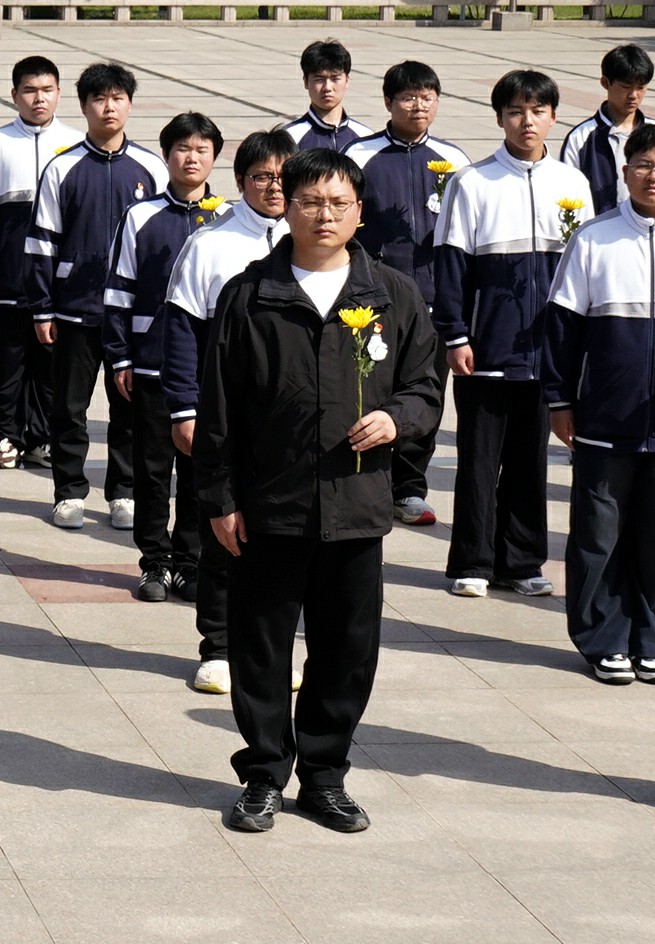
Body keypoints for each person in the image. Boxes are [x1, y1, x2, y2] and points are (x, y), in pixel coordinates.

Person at [186, 146, 442, 836]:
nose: (323, 215)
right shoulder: (249, 295)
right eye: (309, 202)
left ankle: (324, 778)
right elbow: (220, 407)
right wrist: (221, 497)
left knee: (347, 649)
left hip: (357, 506)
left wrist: (399, 418)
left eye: (338, 203)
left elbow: (425, 385)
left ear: (360, 211)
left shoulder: (392, 295)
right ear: (284, 206)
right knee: (260, 647)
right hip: (270, 506)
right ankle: (265, 774)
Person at [545, 124, 655, 686]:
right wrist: (559, 399)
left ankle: (649, 637)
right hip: (604, 416)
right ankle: (601, 639)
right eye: (643, 165)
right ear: (625, 173)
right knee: (597, 533)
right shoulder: (593, 239)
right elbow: (561, 328)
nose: (654, 176)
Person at [430, 69, 592, 598]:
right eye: (517, 111)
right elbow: (450, 266)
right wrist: (455, 334)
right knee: (479, 459)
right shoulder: (471, 183)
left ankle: (522, 561)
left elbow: (583, 271)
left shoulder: (572, 183)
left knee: (531, 459)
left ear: (552, 116)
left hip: (545, 352)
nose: (528, 121)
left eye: (538, 111)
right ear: (500, 117)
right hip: (487, 346)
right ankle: (472, 562)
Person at [153, 131, 290, 692]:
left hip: (288, 422)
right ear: (240, 182)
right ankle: (219, 644)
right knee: (221, 530)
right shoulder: (212, 245)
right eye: (261, 176)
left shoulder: (314, 241)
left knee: (283, 538)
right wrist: (184, 409)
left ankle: (274, 648)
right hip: (223, 418)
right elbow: (181, 332)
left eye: (284, 176)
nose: (274, 187)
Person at [106, 109, 227, 607]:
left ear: (216, 158)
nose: (191, 157)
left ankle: (190, 561)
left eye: (201, 149)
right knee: (153, 471)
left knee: (201, 471)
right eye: (182, 148)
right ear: (166, 155)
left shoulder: (227, 219)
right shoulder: (141, 216)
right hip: (152, 367)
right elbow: (117, 293)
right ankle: (153, 562)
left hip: (209, 372)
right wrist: (119, 357)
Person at [30, 62, 157, 531]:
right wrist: (42, 306)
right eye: (99, 99)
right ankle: (68, 491)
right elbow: (41, 243)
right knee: (69, 405)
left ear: (129, 104)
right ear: (83, 106)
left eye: (118, 98)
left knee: (127, 406)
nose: (109, 107)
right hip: (74, 310)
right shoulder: (62, 167)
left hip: (129, 315)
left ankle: (123, 491)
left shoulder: (150, 168)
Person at [0, 55, 77, 473]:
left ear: (60, 93)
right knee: (7, 363)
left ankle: (40, 440)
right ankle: (8, 436)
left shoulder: (77, 146)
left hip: (57, 283)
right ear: (14, 95)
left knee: (50, 366)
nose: (38, 99)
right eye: (29, 90)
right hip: (7, 277)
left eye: (47, 90)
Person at [350, 62, 455, 524]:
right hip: (374, 299)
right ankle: (368, 480)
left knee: (424, 392)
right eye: (409, 97)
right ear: (389, 102)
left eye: (428, 96)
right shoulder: (362, 155)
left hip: (432, 300)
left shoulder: (455, 162)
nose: (419, 105)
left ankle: (409, 487)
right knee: (370, 389)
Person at [570, 44, 655, 214]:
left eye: (641, 87)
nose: (634, 95)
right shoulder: (581, 138)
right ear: (605, 83)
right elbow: (569, 192)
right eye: (626, 87)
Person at [287, 40, 364, 154]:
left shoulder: (364, 136)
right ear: (306, 82)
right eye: (319, 79)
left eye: (335, 78)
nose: (327, 87)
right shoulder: (289, 138)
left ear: (347, 80)